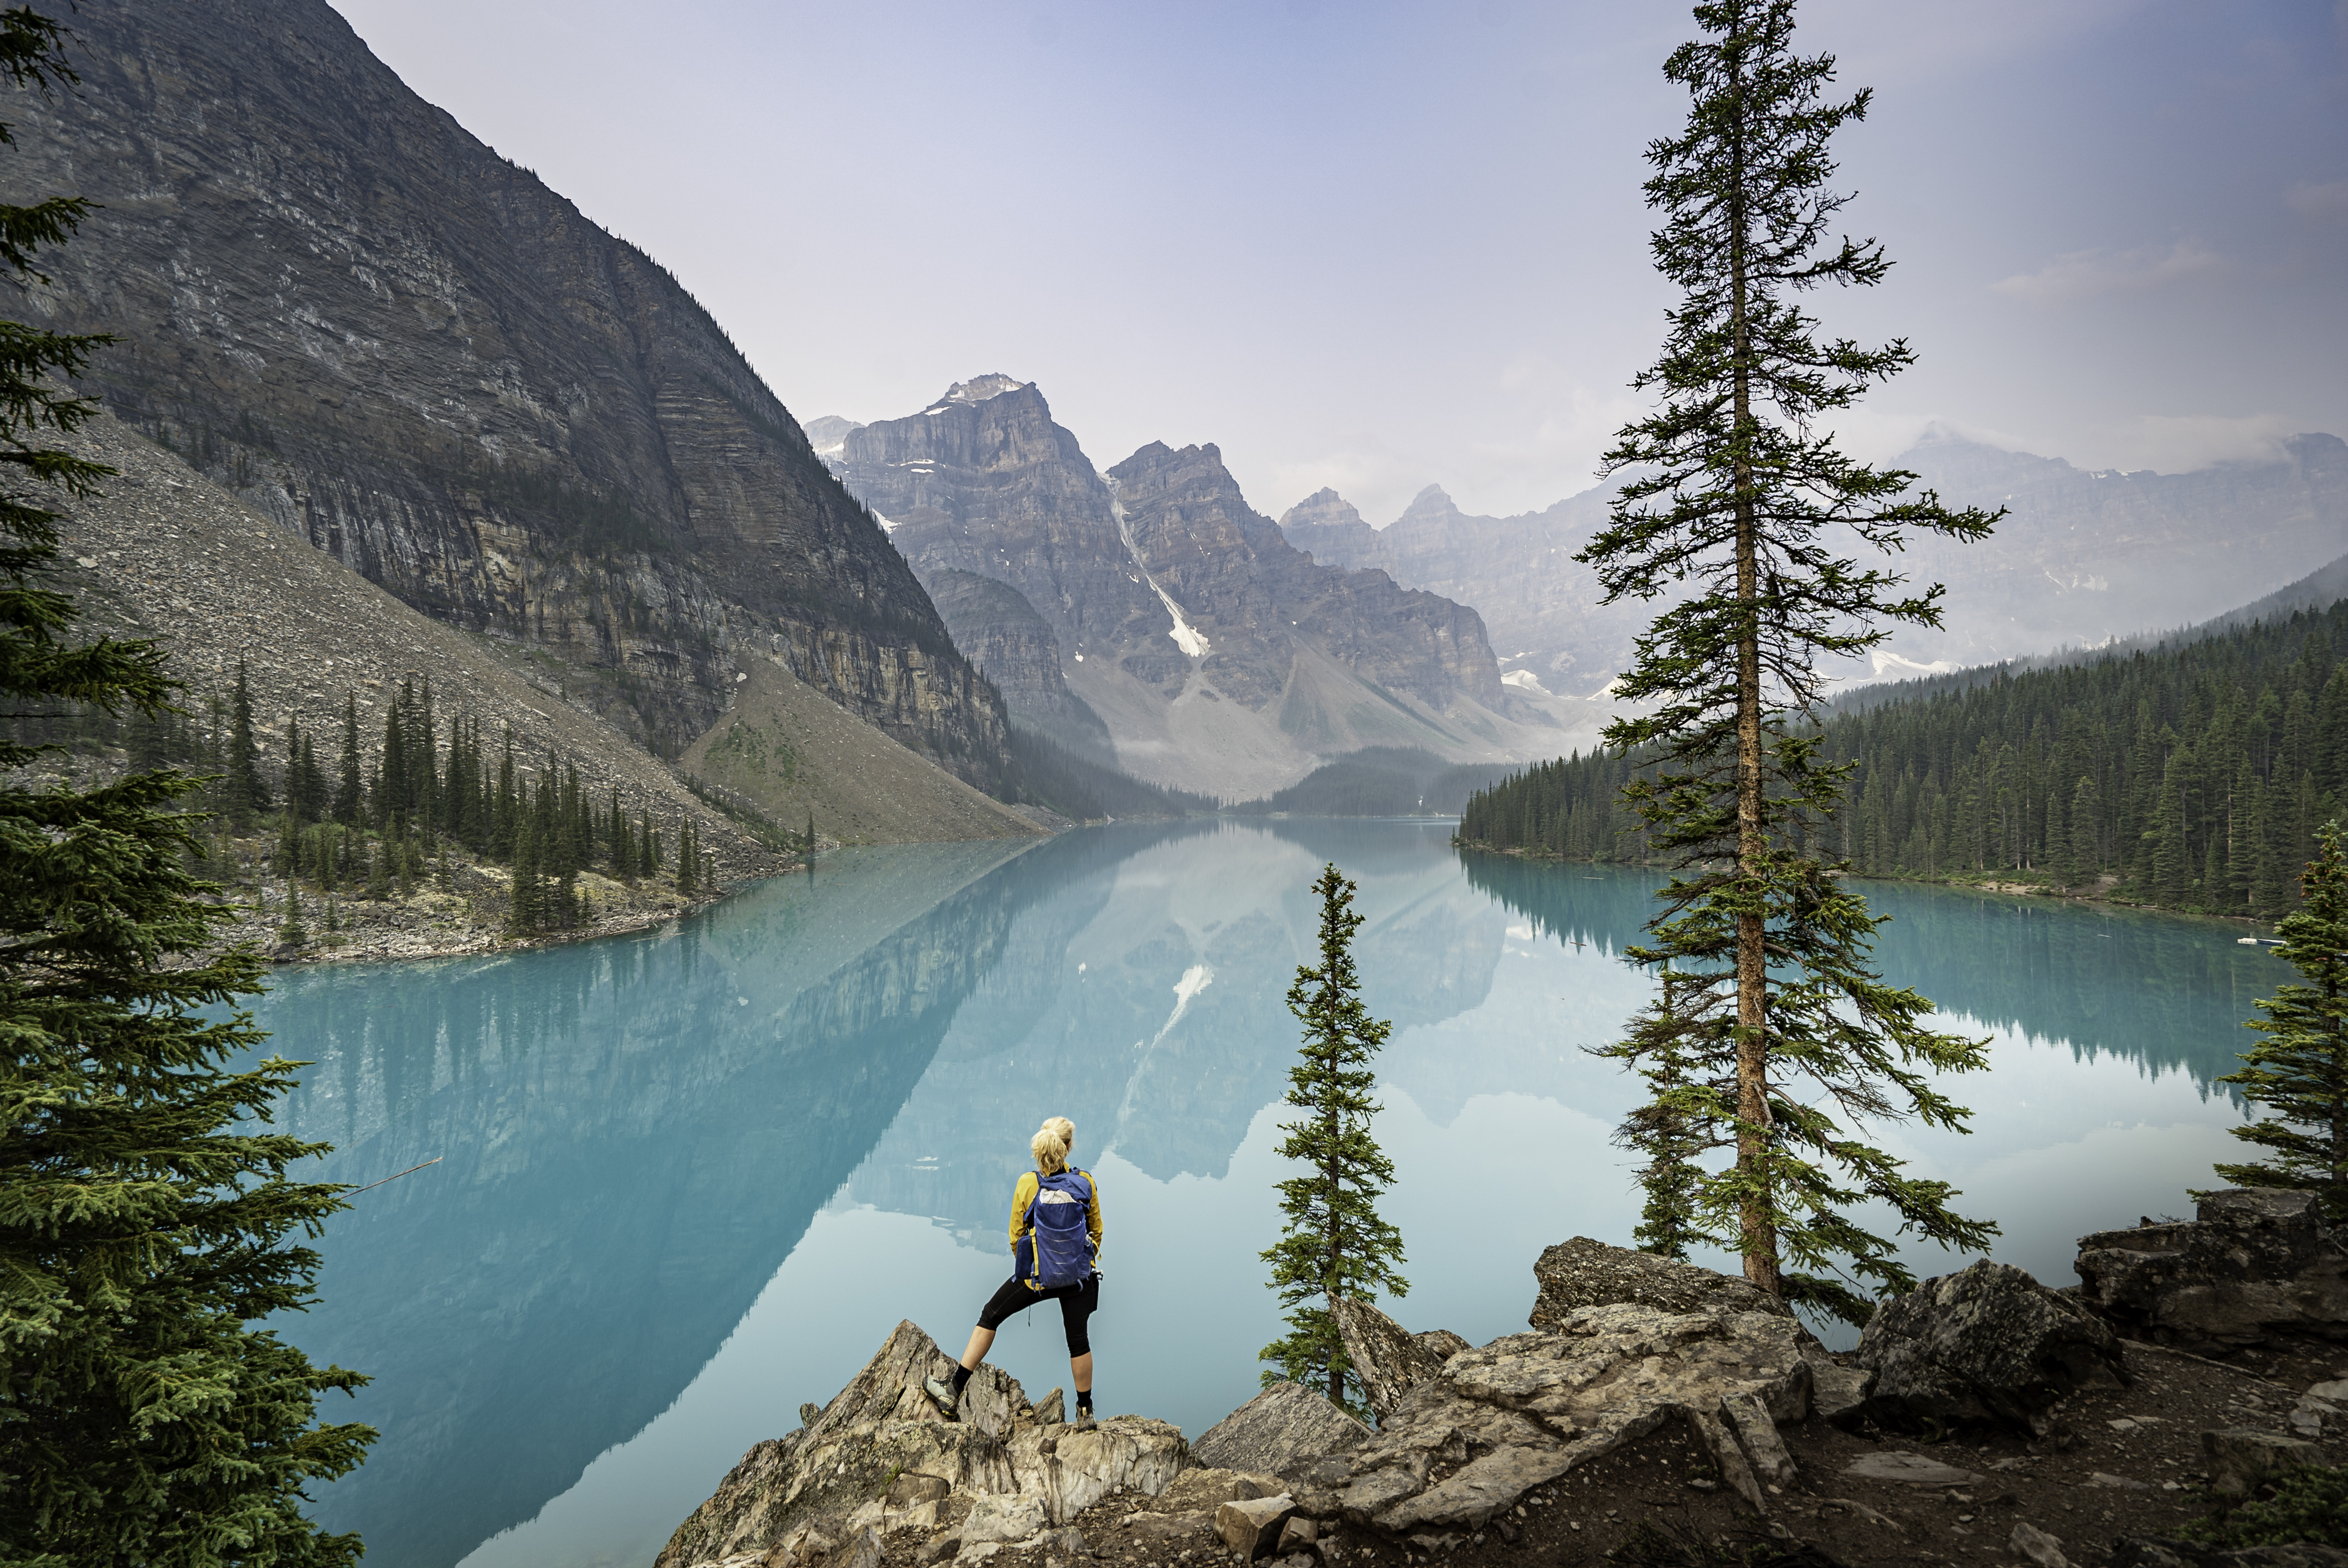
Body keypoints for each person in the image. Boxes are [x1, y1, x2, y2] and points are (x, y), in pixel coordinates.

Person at [925, 1116, 1103, 1430]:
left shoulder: (1028, 1184)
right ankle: (1086, 1412)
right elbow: (1096, 1232)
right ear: (1068, 1147)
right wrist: (1073, 1265)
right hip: (1078, 1278)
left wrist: (1037, 1268)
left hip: (1037, 1278)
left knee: (990, 1315)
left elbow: (1016, 1237)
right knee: (1078, 1340)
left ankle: (953, 1392)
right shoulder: (1085, 1182)